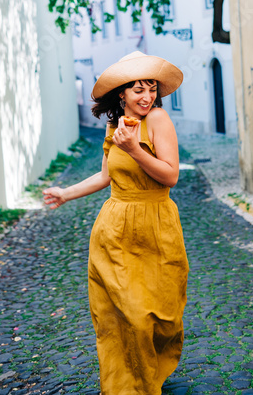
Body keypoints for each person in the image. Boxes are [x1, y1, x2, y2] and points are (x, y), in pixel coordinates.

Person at [43, 51, 189, 395]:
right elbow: (106, 176)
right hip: (115, 230)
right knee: (122, 314)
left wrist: (136, 149)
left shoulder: (158, 120)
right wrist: (66, 192)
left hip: (157, 225)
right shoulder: (114, 126)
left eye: (151, 88)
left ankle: (152, 369)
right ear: (121, 93)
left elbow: (170, 176)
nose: (147, 96)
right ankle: (127, 385)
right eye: (138, 90)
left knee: (161, 317)